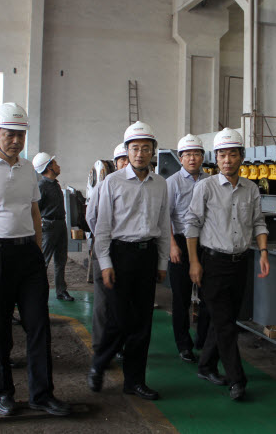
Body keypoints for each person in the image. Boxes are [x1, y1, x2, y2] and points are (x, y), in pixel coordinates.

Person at [0, 102, 70, 417]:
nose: (16, 141)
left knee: (38, 326)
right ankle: (3, 392)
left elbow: (34, 212)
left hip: (27, 256)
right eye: (10, 134)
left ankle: (42, 394)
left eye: (21, 135)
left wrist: (36, 249)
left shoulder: (28, 170)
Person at [186, 127, 270, 401]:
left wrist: (264, 252)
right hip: (213, 263)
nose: (227, 160)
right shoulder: (205, 187)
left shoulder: (251, 189)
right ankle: (237, 380)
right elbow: (192, 225)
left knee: (225, 319)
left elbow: (258, 222)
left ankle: (206, 365)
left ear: (241, 157)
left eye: (232, 154)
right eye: (222, 155)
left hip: (240, 263)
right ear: (216, 158)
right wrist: (194, 262)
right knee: (226, 325)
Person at [88, 121, 170, 401]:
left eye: (145, 148)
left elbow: (164, 224)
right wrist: (105, 263)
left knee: (143, 323)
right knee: (119, 318)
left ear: (153, 151)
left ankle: (134, 381)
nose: (140, 154)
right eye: (134, 148)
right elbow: (102, 226)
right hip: (119, 255)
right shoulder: (112, 182)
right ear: (126, 151)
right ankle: (99, 363)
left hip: (147, 256)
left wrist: (162, 263)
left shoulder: (160, 184)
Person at [166, 134, 211, 364]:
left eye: (196, 154)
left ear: (202, 157)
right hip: (180, 244)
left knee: (207, 296)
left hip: (205, 243)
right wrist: (172, 246)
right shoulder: (172, 182)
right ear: (180, 158)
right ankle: (183, 345)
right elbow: (164, 217)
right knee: (181, 298)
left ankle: (203, 340)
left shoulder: (210, 181)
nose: (192, 159)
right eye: (187, 155)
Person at [86, 143, 129, 356]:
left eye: (128, 159)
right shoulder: (104, 185)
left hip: (126, 251)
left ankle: (118, 345)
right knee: (103, 301)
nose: (127, 163)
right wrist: (104, 238)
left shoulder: (138, 186)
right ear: (115, 163)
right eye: (122, 160)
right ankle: (100, 347)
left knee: (123, 301)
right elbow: (91, 217)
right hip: (105, 247)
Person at [32, 152, 74, 302]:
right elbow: (36, 210)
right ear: (49, 167)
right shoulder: (41, 186)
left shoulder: (55, 184)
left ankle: (61, 291)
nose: (58, 166)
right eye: (55, 163)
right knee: (43, 261)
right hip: (48, 227)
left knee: (61, 260)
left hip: (60, 225)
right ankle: (37, 291)